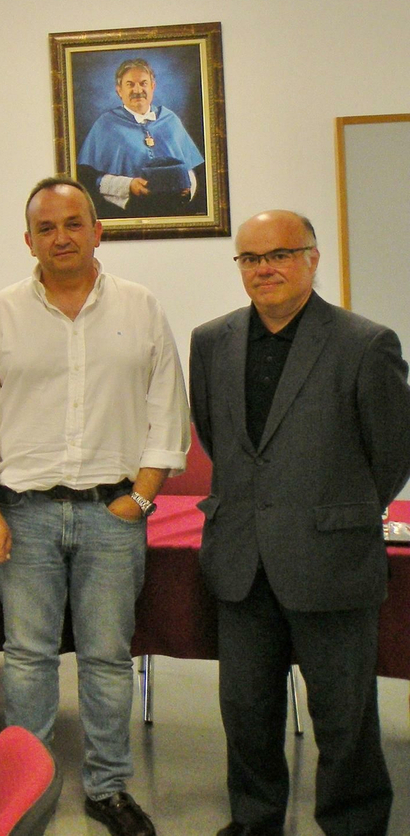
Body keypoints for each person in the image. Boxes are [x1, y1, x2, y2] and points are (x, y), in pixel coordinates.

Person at [0, 176, 188, 836]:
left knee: (108, 658)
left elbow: (167, 414)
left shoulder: (140, 308)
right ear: (28, 239)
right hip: (22, 513)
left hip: (111, 512)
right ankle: (29, 786)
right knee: (27, 656)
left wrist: (139, 500)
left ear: (97, 229)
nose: (61, 236)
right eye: (46, 227)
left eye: (73, 223)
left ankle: (108, 788)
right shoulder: (1, 312)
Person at [191, 210, 410, 836]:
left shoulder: (365, 343)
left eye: (282, 254)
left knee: (345, 719)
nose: (266, 269)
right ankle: (255, 821)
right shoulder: (211, 341)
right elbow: (215, 438)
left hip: (331, 559)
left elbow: (392, 452)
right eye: (252, 259)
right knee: (245, 713)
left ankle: (353, 824)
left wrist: (336, 512)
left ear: (313, 259)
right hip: (240, 562)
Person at [76, 58, 205, 219]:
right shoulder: (105, 124)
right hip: (127, 213)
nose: (138, 90)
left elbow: (192, 169)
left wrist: (188, 187)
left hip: (176, 212)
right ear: (119, 90)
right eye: (130, 84)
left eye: (143, 83)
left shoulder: (170, 119)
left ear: (153, 87)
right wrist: (128, 185)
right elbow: (91, 179)